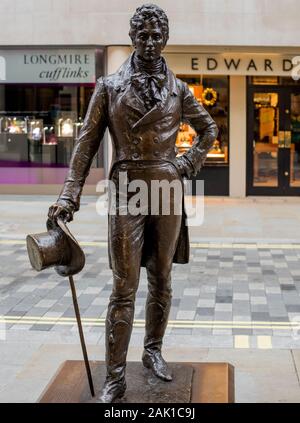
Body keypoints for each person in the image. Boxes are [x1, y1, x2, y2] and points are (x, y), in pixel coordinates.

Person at [48, 3, 218, 403]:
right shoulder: (109, 87)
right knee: (124, 285)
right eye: (142, 35)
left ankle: (153, 351)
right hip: (126, 191)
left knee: (161, 278)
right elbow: (86, 144)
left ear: (166, 38)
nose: (150, 42)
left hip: (167, 189)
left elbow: (208, 129)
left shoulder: (178, 89)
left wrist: (186, 162)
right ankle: (116, 376)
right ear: (131, 38)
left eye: (157, 35)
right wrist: (69, 193)